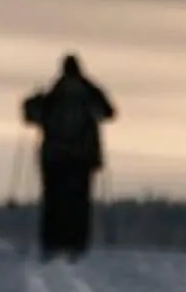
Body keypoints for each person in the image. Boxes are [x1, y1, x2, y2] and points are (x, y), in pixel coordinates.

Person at [21, 54, 116, 259]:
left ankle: (51, 244)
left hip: (54, 157)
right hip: (82, 158)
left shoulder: (53, 95)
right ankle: (76, 245)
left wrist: (33, 100)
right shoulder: (90, 93)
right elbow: (109, 112)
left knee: (53, 202)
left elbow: (31, 116)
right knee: (79, 204)